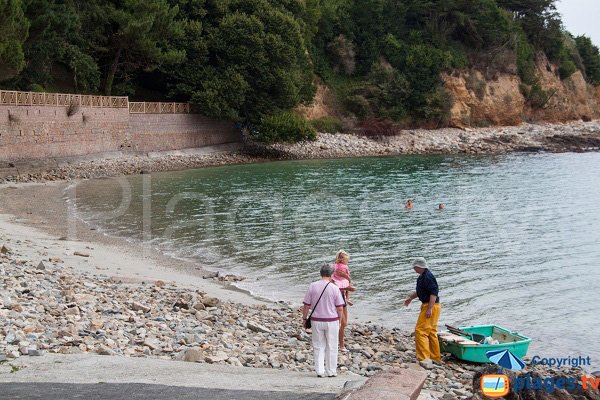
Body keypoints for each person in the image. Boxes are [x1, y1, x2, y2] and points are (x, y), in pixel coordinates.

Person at [303, 264, 345, 377]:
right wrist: (340, 321)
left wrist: (304, 319)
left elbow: (306, 305)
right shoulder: (334, 288)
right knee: (332, 346)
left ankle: (320, 371)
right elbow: (340, 308)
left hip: (316, 320)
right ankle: (331, 371)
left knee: (318, 345)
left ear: (320, 273)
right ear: (332, 275)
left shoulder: (312, 286)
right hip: (332, 320)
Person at [404, 257, 442, 364]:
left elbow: (434, 293)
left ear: (420, 267)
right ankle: (435, 357)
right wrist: (410, 298)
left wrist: (429, 308)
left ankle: (424, 358)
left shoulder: (428, 277)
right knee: (431, 332)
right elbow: (419, 291)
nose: (414, 269)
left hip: (431, 305)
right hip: (431, 305)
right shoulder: (422, 277)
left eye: (415, 267)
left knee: (420, 331)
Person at [331, 250, 355, 352]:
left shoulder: (342, 271)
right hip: (336, 297)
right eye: (346, 261)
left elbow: (347, 284)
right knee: (341, 322)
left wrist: (348, 298)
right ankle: (340, 345)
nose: (346, 264)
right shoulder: (335, 270)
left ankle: (339, 344)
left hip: (342, 296)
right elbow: (345, 285)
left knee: (343, 323)